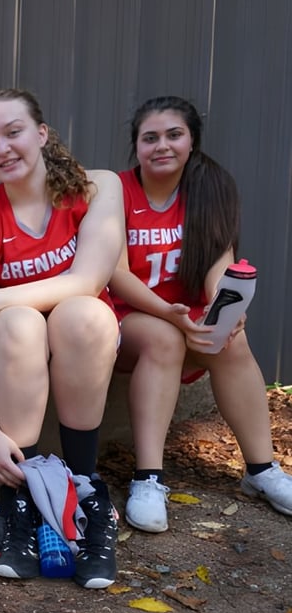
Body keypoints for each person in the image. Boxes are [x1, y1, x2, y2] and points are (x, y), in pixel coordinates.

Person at [0, 89, 124, 588]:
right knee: (19, 322)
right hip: (15, 350)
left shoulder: (98, 187)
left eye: (13, 132)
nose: (2, 148)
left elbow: (89, 279)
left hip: (82, 340)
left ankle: (85, 490)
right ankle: (19, 500)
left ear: (42, 133)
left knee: (83, 313)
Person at [109, 95, 292, 533]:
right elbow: (115, 273)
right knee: (164, 339)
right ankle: (148, 478)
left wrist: (221, 305)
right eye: (150, 138)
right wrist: (168, 314)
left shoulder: (209, 188)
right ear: (136, 145)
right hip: (127, 313)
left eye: (174, 135)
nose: (162, 146)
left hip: (184, 312)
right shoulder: (117, 191)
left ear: (192, 140)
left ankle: (261, 470)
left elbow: (218, 259)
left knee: (233, 341)